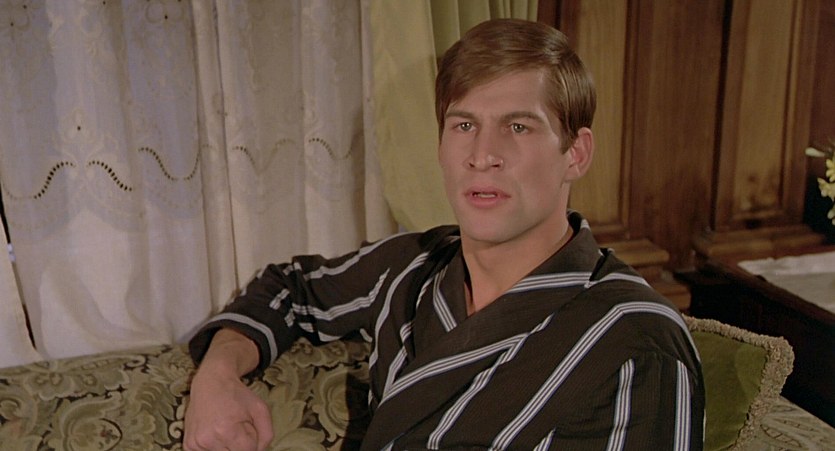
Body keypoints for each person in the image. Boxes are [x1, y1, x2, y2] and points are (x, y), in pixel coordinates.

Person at [183, 18, 705, 451]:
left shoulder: (638, 343)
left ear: (576, 153)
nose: (483, 155)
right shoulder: (413, 266)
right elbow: (291, 288)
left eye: (518, 126)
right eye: (464, 125)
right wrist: (219, 375)